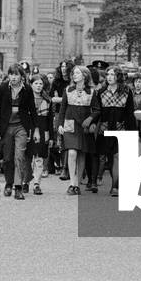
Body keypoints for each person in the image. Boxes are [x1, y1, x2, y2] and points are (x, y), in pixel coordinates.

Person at [91, 66, 135, 197]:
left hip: (120, 128)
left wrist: (133, 133)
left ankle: (115, 186)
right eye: (108, 74)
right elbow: (97, 111)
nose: (109, 77)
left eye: (112, 74)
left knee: (117, 156)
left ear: (118, 76)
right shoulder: (100, 92)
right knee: (104, 157)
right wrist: (93, 123)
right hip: (104, 129)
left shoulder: (127, 91)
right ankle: (93, 181)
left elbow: (130, 113)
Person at [0, 64, 35, 199]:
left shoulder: (27, 89)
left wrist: (34, 130)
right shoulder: (2, 88)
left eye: (16, 74)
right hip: (6, 127)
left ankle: (18, 187)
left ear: (21, 76)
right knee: (7, 158)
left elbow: (32, 110)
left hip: (21, 127)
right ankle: (8, 183)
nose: (13, 77)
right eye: (11, 74)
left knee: (19, 156)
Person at [57, 65, 95, 195]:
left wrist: (90, 119)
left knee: (81, 154)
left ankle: (77, 185)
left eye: (77, 73)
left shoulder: (92, 91)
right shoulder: (68, 90)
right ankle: (71, 183)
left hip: (83, 126)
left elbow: (96, 110)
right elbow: (62, 109)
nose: (74, 75)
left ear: (85, 76)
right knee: (72, 152)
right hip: (69, 125)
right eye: (73, 73)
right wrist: (60, 125)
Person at [28, 74, 53, 195]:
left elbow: (50, 120)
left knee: (39, 158)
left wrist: (51, 136)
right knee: (27, 157)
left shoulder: (47, 100)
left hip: (43, 130)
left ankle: (36, 183)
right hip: (29, 129)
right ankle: (25, 181)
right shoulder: (26, 98)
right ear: (31, 84)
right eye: (36, 83)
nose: (38, 86)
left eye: (41, 84)